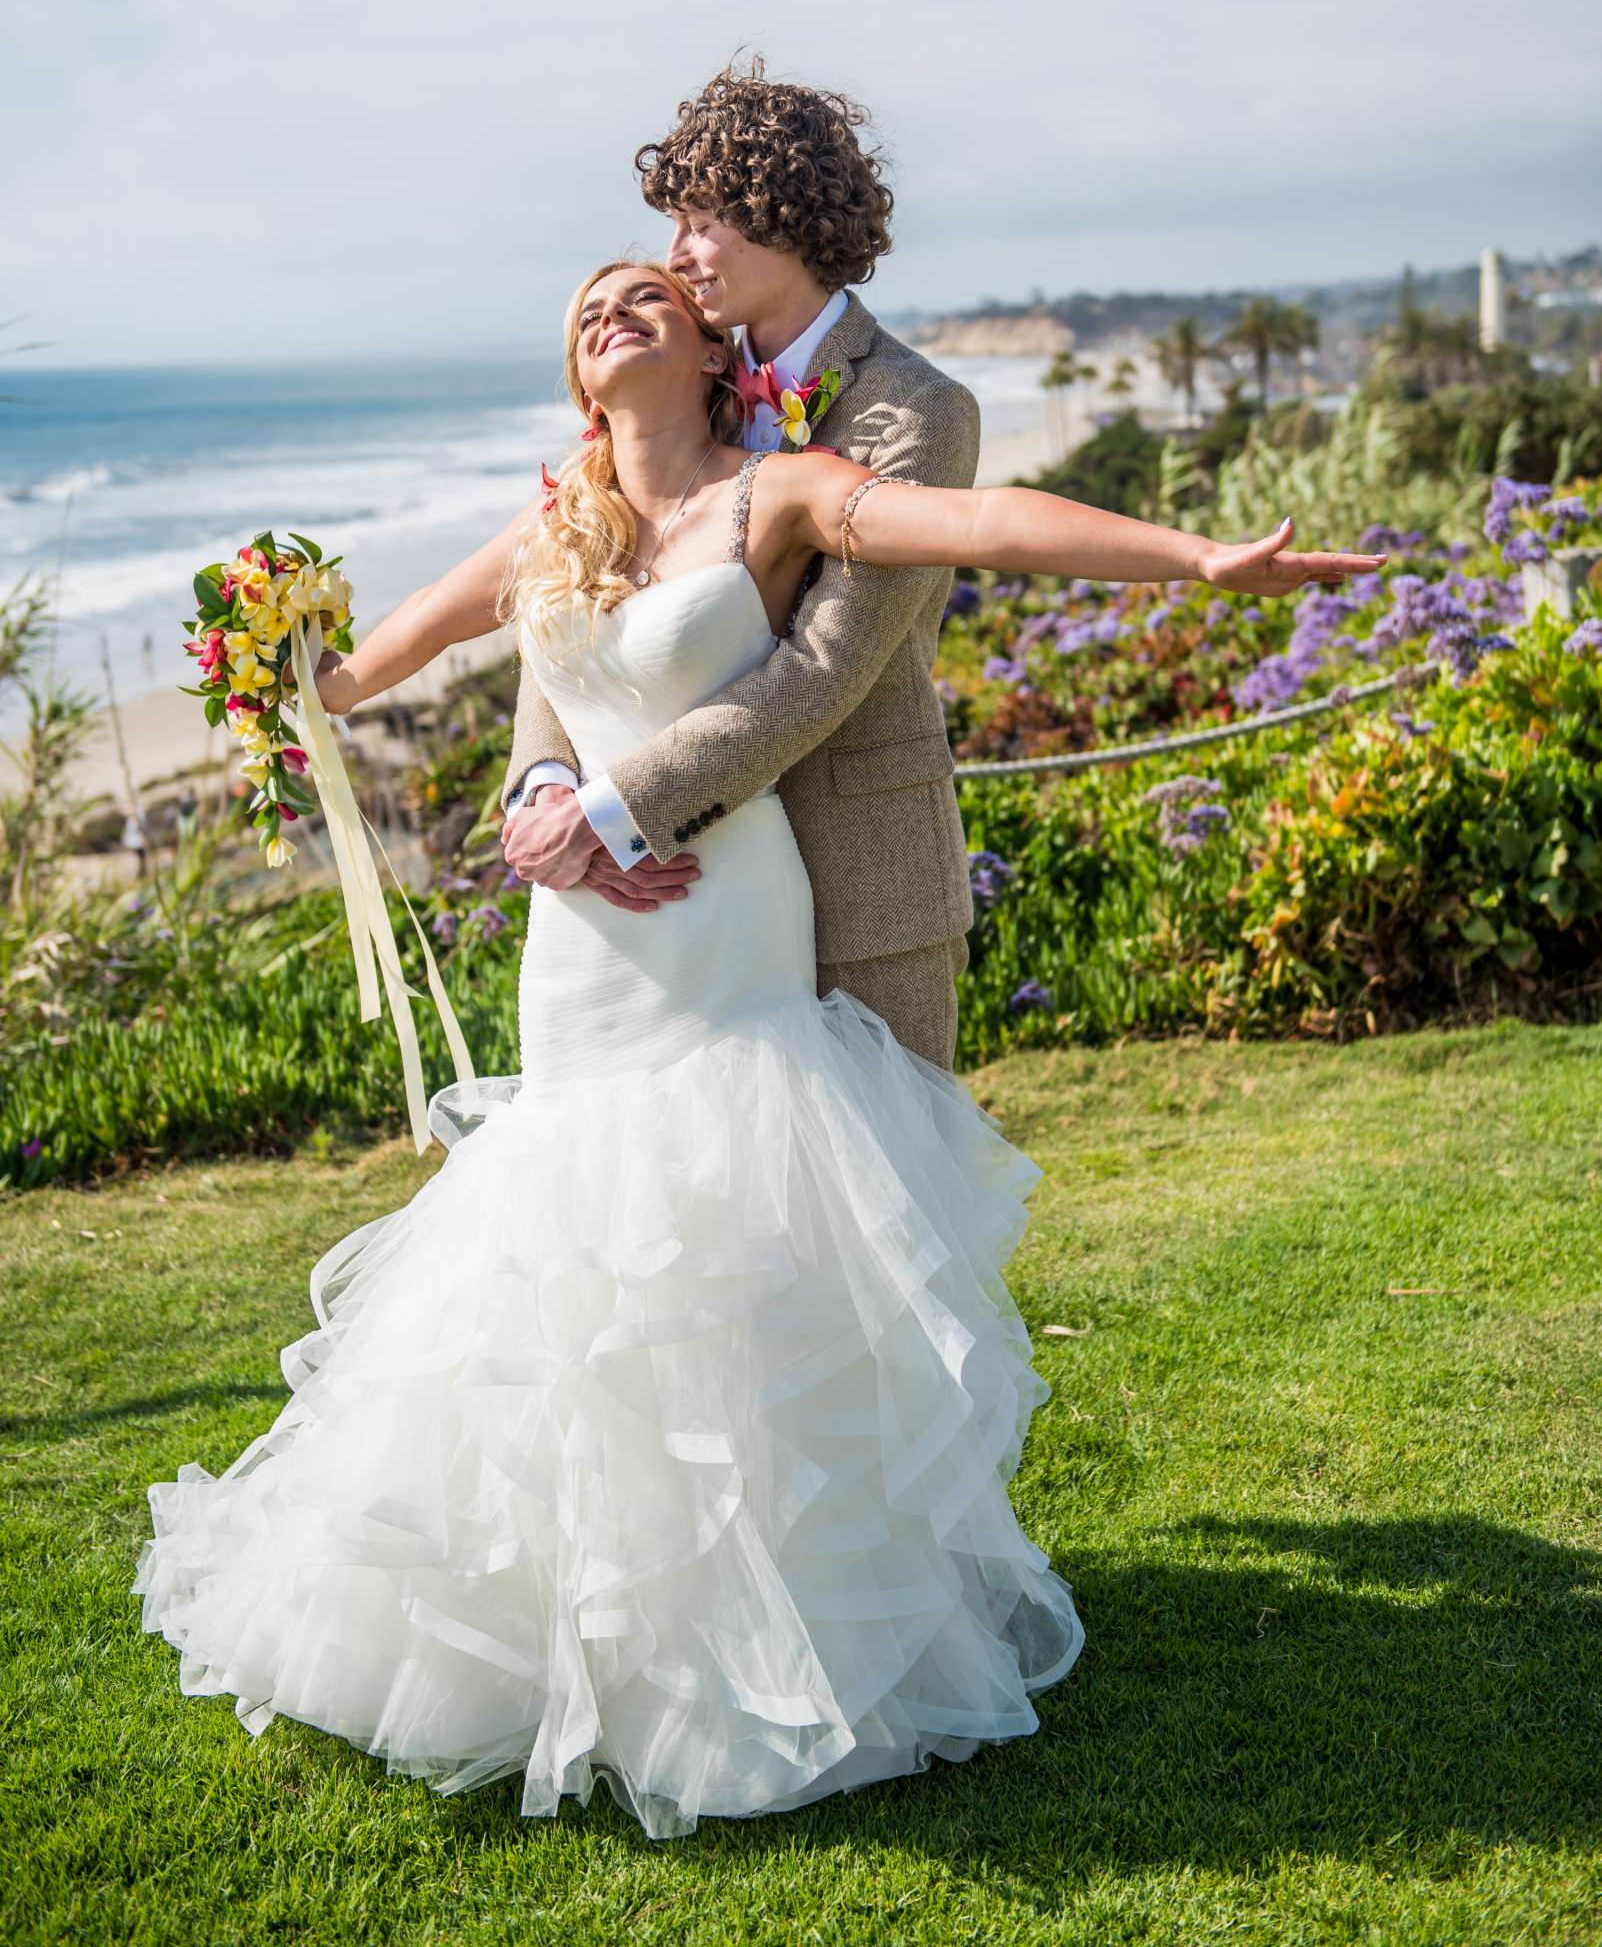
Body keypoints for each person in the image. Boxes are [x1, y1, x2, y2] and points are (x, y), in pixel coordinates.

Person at [130, 246, 1384, 1840]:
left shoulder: (778, 491)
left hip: (726, 922)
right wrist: (274, 666)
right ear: (579, 377)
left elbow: (977, 523)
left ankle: (774, 1643)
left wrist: (1197, 562)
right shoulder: (554, 531)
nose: (614, 303)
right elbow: (366, 672)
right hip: (581, 948)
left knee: (730, 1266)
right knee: (563, 1268)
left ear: (706, 350)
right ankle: (552, 1639)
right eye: (586, 303)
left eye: (644, 288)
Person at [499, 60, 984, 1070]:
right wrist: (545, 786)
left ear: (784, 216)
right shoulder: (676, 377)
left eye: (700, 220)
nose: (677, 255)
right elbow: (577, 598)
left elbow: (824, 668)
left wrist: (614, 811)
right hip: (677, 892)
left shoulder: (919, 411)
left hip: (859, 870)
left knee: (872, 1204)